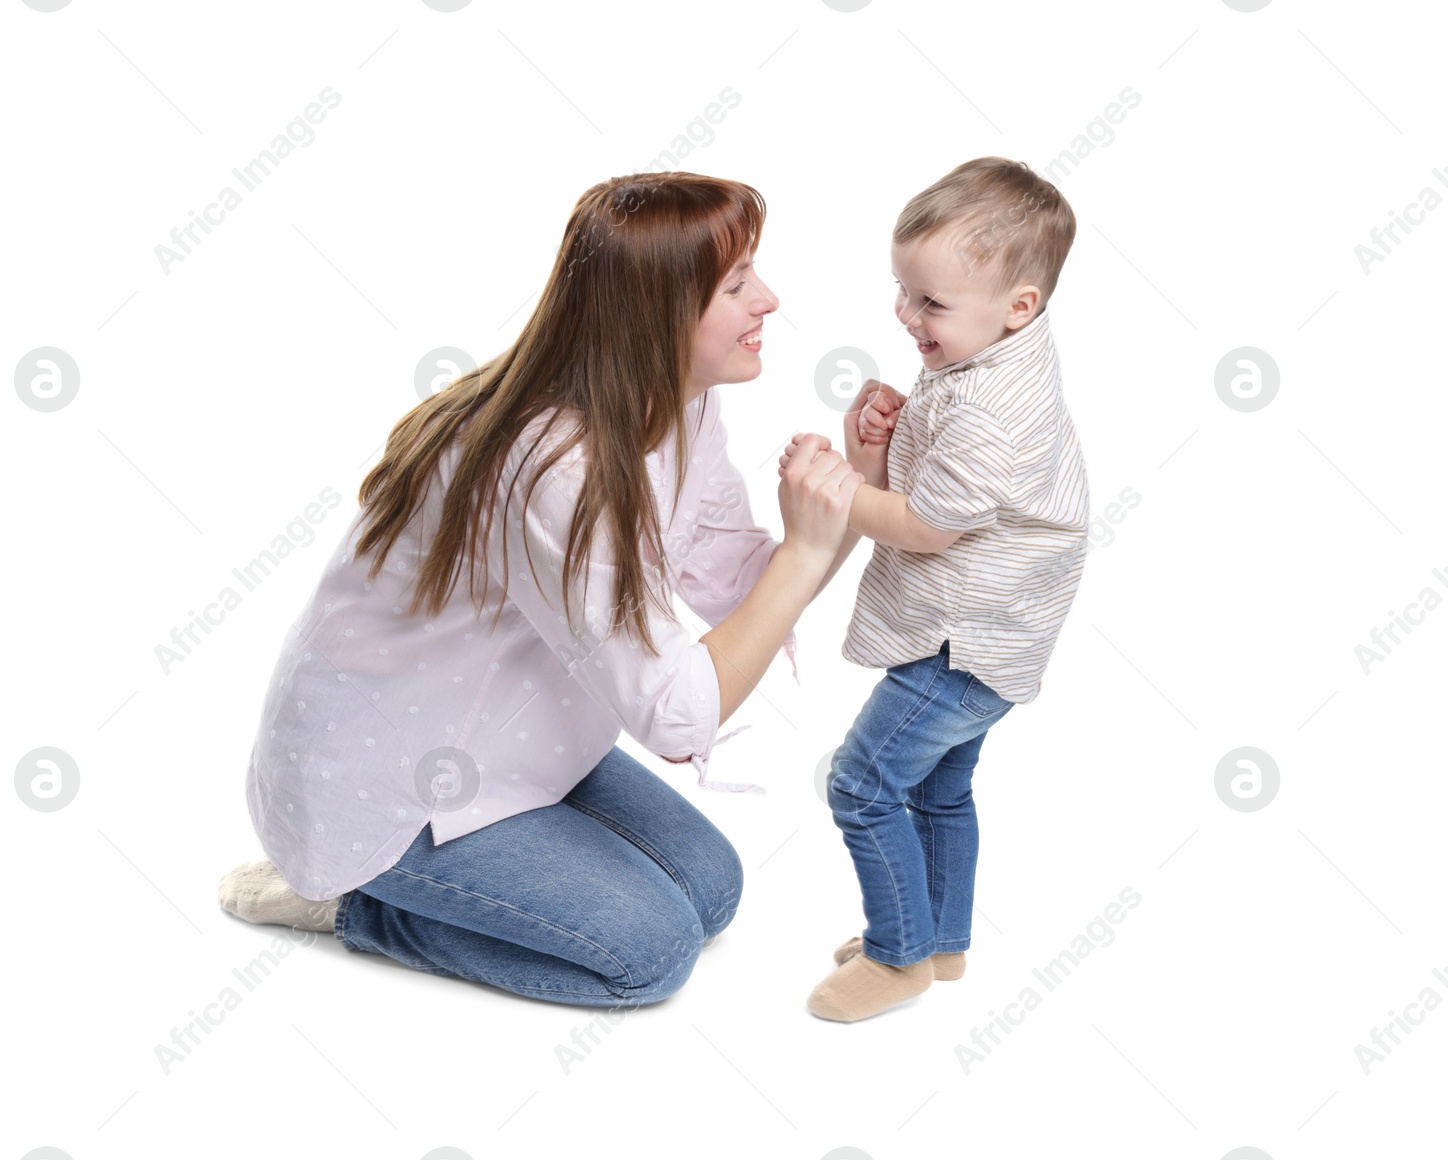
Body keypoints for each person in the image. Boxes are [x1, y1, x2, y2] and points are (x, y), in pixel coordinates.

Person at [217, 171, 885, 1009]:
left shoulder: (677, 405)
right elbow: (679, 718)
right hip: (394, 785)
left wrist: (852, 494)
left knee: (711, 891)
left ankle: (463, 873)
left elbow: (741, 592)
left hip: (515, 742)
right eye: (737, 283)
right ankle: (353, 904)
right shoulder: (553, 467)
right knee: (648, 954)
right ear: (656, 312)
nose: (770, 299)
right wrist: (809, 550)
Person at [787, 157, 1091, 1021]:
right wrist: (877, 444)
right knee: (939, 788)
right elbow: (931, 476)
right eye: (903, 291)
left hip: (966, 640)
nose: (907, 316)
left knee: (861, 783)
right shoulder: (989, 350)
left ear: (1017, 304)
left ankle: (897, 959)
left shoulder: (995, 407)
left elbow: (925, 527)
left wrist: (843, 486)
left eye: (931, 304)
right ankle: (940, 937)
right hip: (999, 627)